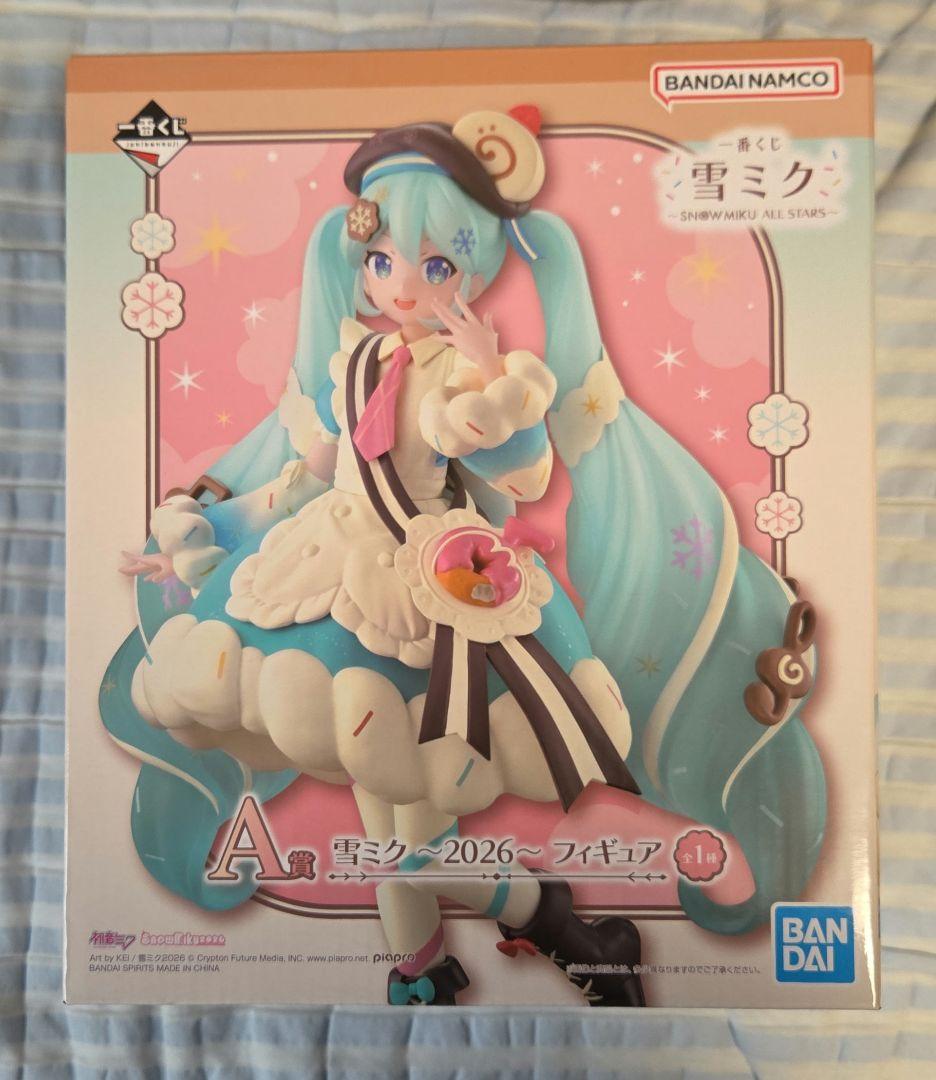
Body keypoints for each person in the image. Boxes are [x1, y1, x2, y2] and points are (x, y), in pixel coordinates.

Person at [104, 105, 824, 1007]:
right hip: (330, 572)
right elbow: (309, 476)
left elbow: (523, 474)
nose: (402, 283)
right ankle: (443, 966)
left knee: (411, 824)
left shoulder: (465, 374)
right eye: (382, 260)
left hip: (430, 596)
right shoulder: (353, 362)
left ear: (473, 271)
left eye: (435, 265)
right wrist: (203, 532)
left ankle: (551, 929)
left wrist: (488, 377)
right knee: (390, 821)